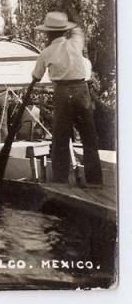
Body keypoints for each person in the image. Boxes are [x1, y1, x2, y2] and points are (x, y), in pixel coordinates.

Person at [31, 12, 102, 186]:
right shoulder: (75, 43)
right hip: (81, 90)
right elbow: (78, 30)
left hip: (62, 93)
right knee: (89, 137)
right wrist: (69, 12)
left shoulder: (46, 52)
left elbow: (36, 76)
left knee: (60, 138)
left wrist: (33, 82)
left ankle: (60, 181)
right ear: (65, 32)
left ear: (48, 34)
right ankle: (95, 181)